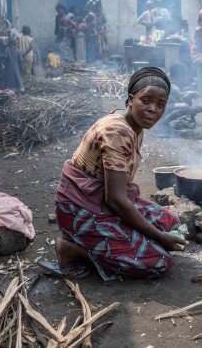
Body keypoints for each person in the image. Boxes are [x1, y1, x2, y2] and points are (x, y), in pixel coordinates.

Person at [41, 67, 187, 280]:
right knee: (158, 262)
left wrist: (158, 234)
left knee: (169, 222)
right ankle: (71, 248)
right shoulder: (117, 131)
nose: (153, 109)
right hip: (80, 209)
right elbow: (116, 199)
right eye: (146, 100)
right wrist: (159, 238)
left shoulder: (134, 127)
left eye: (160, 104)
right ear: (130, 99)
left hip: (99, 201)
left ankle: (112, 241)